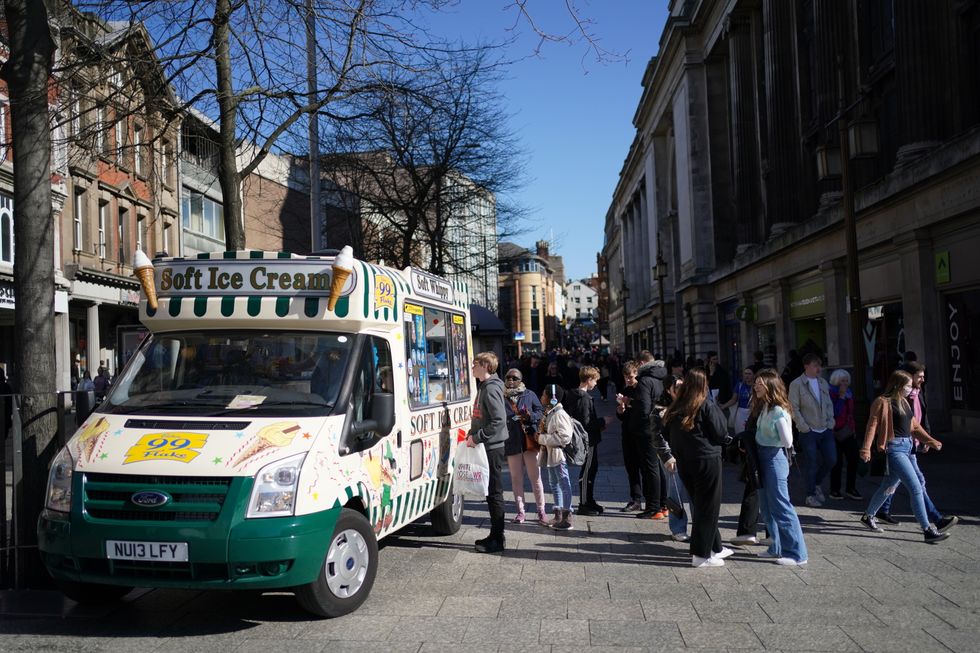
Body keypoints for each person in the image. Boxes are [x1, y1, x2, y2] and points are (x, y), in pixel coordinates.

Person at [858, 369, 949, 543]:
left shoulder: (905, 403)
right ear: (898, 385)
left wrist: (930, 441)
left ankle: (868, 516)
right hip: (894, 449)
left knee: (888, 485)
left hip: (907, 447)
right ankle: (927, 529)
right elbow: (872, 426)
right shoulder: (882, 402)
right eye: (908, 385)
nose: (910, 388)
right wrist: (866, 449)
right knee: (915, 487)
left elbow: (914, 427)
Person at [876, 362, 958, 531]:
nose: (922, 379)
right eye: (919, 376)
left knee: (892, 481)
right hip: (900, 445)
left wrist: (927, 439)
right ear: (908, 376)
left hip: (910, 444)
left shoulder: (916, 394)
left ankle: (879, 511)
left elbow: (919, 418)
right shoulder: (900, 397)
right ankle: (935, 521)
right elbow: (880, 424)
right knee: (916, 484)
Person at [663, 368, 733, 567]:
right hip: (707, 460)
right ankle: (701, 555)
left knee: (701, 504)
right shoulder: (705, 405)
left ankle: (716, 547)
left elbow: (666, 433)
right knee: (708, 507)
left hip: (685, 462)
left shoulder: (676, 407)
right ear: (703, 385)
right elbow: (720, 432)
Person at [751, 370, 808, 566]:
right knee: (766, 506)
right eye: (756, 383)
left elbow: (788, 440)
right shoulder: (764, 406)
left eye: (760, 384)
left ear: (770, 386)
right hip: (762, 457)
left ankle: (797, 554)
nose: (756, 386)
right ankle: (775, 547)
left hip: (774, 458)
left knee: (781, 506)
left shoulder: (777, 411)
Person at [466, 352, 509, 553]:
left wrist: (477, 436)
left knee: (494, 493)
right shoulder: (486, 386)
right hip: (488, 445)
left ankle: (497, 539)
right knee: (492, 493)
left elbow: (498, 420)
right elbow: (482, 416)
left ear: (484, 365)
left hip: (492, 447)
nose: (472, 367)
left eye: (475, 364)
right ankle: (495, 535)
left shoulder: (491, 388)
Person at [788, 353, 836, 507]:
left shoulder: (822, 382)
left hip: (825, 428)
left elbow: (828, 403)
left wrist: (831, 421)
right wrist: (803, 426)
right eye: (815, 365)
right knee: (811, 462)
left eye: (819, 365)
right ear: (806, 366)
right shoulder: (797, 384)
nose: (818, 368)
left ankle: (816, 483)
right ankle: (810, 494)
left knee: (831, 459)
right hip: (808, 430)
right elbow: (793, 407)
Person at [502, 368, 546, 524]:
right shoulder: (501, 396)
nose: (511, 380)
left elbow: (541, 411)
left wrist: (530, 416)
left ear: (520, 380)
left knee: (536, 478)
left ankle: (541, 511)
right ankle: (520, 511)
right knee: (516, 478)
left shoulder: (529, 394)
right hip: (512, 440)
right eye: (508, 377)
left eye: (514, 377)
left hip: (529, 440)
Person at [651, 374, 690, 541]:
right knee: (675, 492)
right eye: (677, 387)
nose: (681, 390)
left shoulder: (688, 405)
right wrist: (667, 457)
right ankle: (678, 528)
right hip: (672, 455)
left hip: (689, 453)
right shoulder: (660, 409)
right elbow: (656, 435)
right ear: (669, 389)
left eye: (683, 386)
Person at [565, 366, 606, 516]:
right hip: (588, 440)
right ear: (589, 380)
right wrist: (603, 422)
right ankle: (583, 503)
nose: (596, 384)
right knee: (588, 470)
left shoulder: (578, 395)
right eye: (595, 381)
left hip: (588, 439)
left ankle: (589, 500)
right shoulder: (583, 398)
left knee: (591, 469)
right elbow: (586, 424)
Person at [632, 351, 668, 519]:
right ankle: (663, 505)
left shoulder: (645, 381)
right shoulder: (663, 377)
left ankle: (653, 507)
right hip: (661, 427)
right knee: (659, 466)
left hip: (647, 429)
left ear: (641, 364)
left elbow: (644, 408)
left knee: (650, 467)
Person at [537, 384, 574, 530]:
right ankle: (558, 514)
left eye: (543, 395)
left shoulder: (559, 414)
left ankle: (567, 517)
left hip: (559, 455)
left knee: (564, 484)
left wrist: (542, 438)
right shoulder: (551, 412)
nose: (541, 397)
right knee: (554, 483)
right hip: (551, 455)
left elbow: (565, 437)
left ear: (552, 398)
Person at [827, 369, 860, 501]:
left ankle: (851, 488)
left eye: (846, 381)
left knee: (853, 458)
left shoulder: (849, 394)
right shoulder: (831, 393)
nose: (845, 383)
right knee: (837, 462)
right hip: (835, 431)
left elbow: (850, 413)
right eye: (842, 381)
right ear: (836, 381)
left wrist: (853, 429)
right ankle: (835, 489)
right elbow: (835, 412)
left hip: (848, 431)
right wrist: (840, 397)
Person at [616, 361, 643, 512]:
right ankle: (636, 499)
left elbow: (643, 408)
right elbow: (622, 415)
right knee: (631, 467)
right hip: (627, 432)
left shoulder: (641, 389)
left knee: (645, 468)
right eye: (626, 377)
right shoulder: (625, 389)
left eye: (631, 377)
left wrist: (629, 402)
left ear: (636, 374)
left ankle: (655, 501)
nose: (628, 380)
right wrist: (620, 410)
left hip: (640, 433)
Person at [722, 367, 755, 434]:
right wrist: (723, 406)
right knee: (740, 433)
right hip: (741, 413)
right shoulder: (739, 385)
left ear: (754, 375)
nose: (747, 376)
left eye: (749, 374)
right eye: (745, 373)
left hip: (752, 413)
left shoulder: (757, 386)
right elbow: (733, 400)